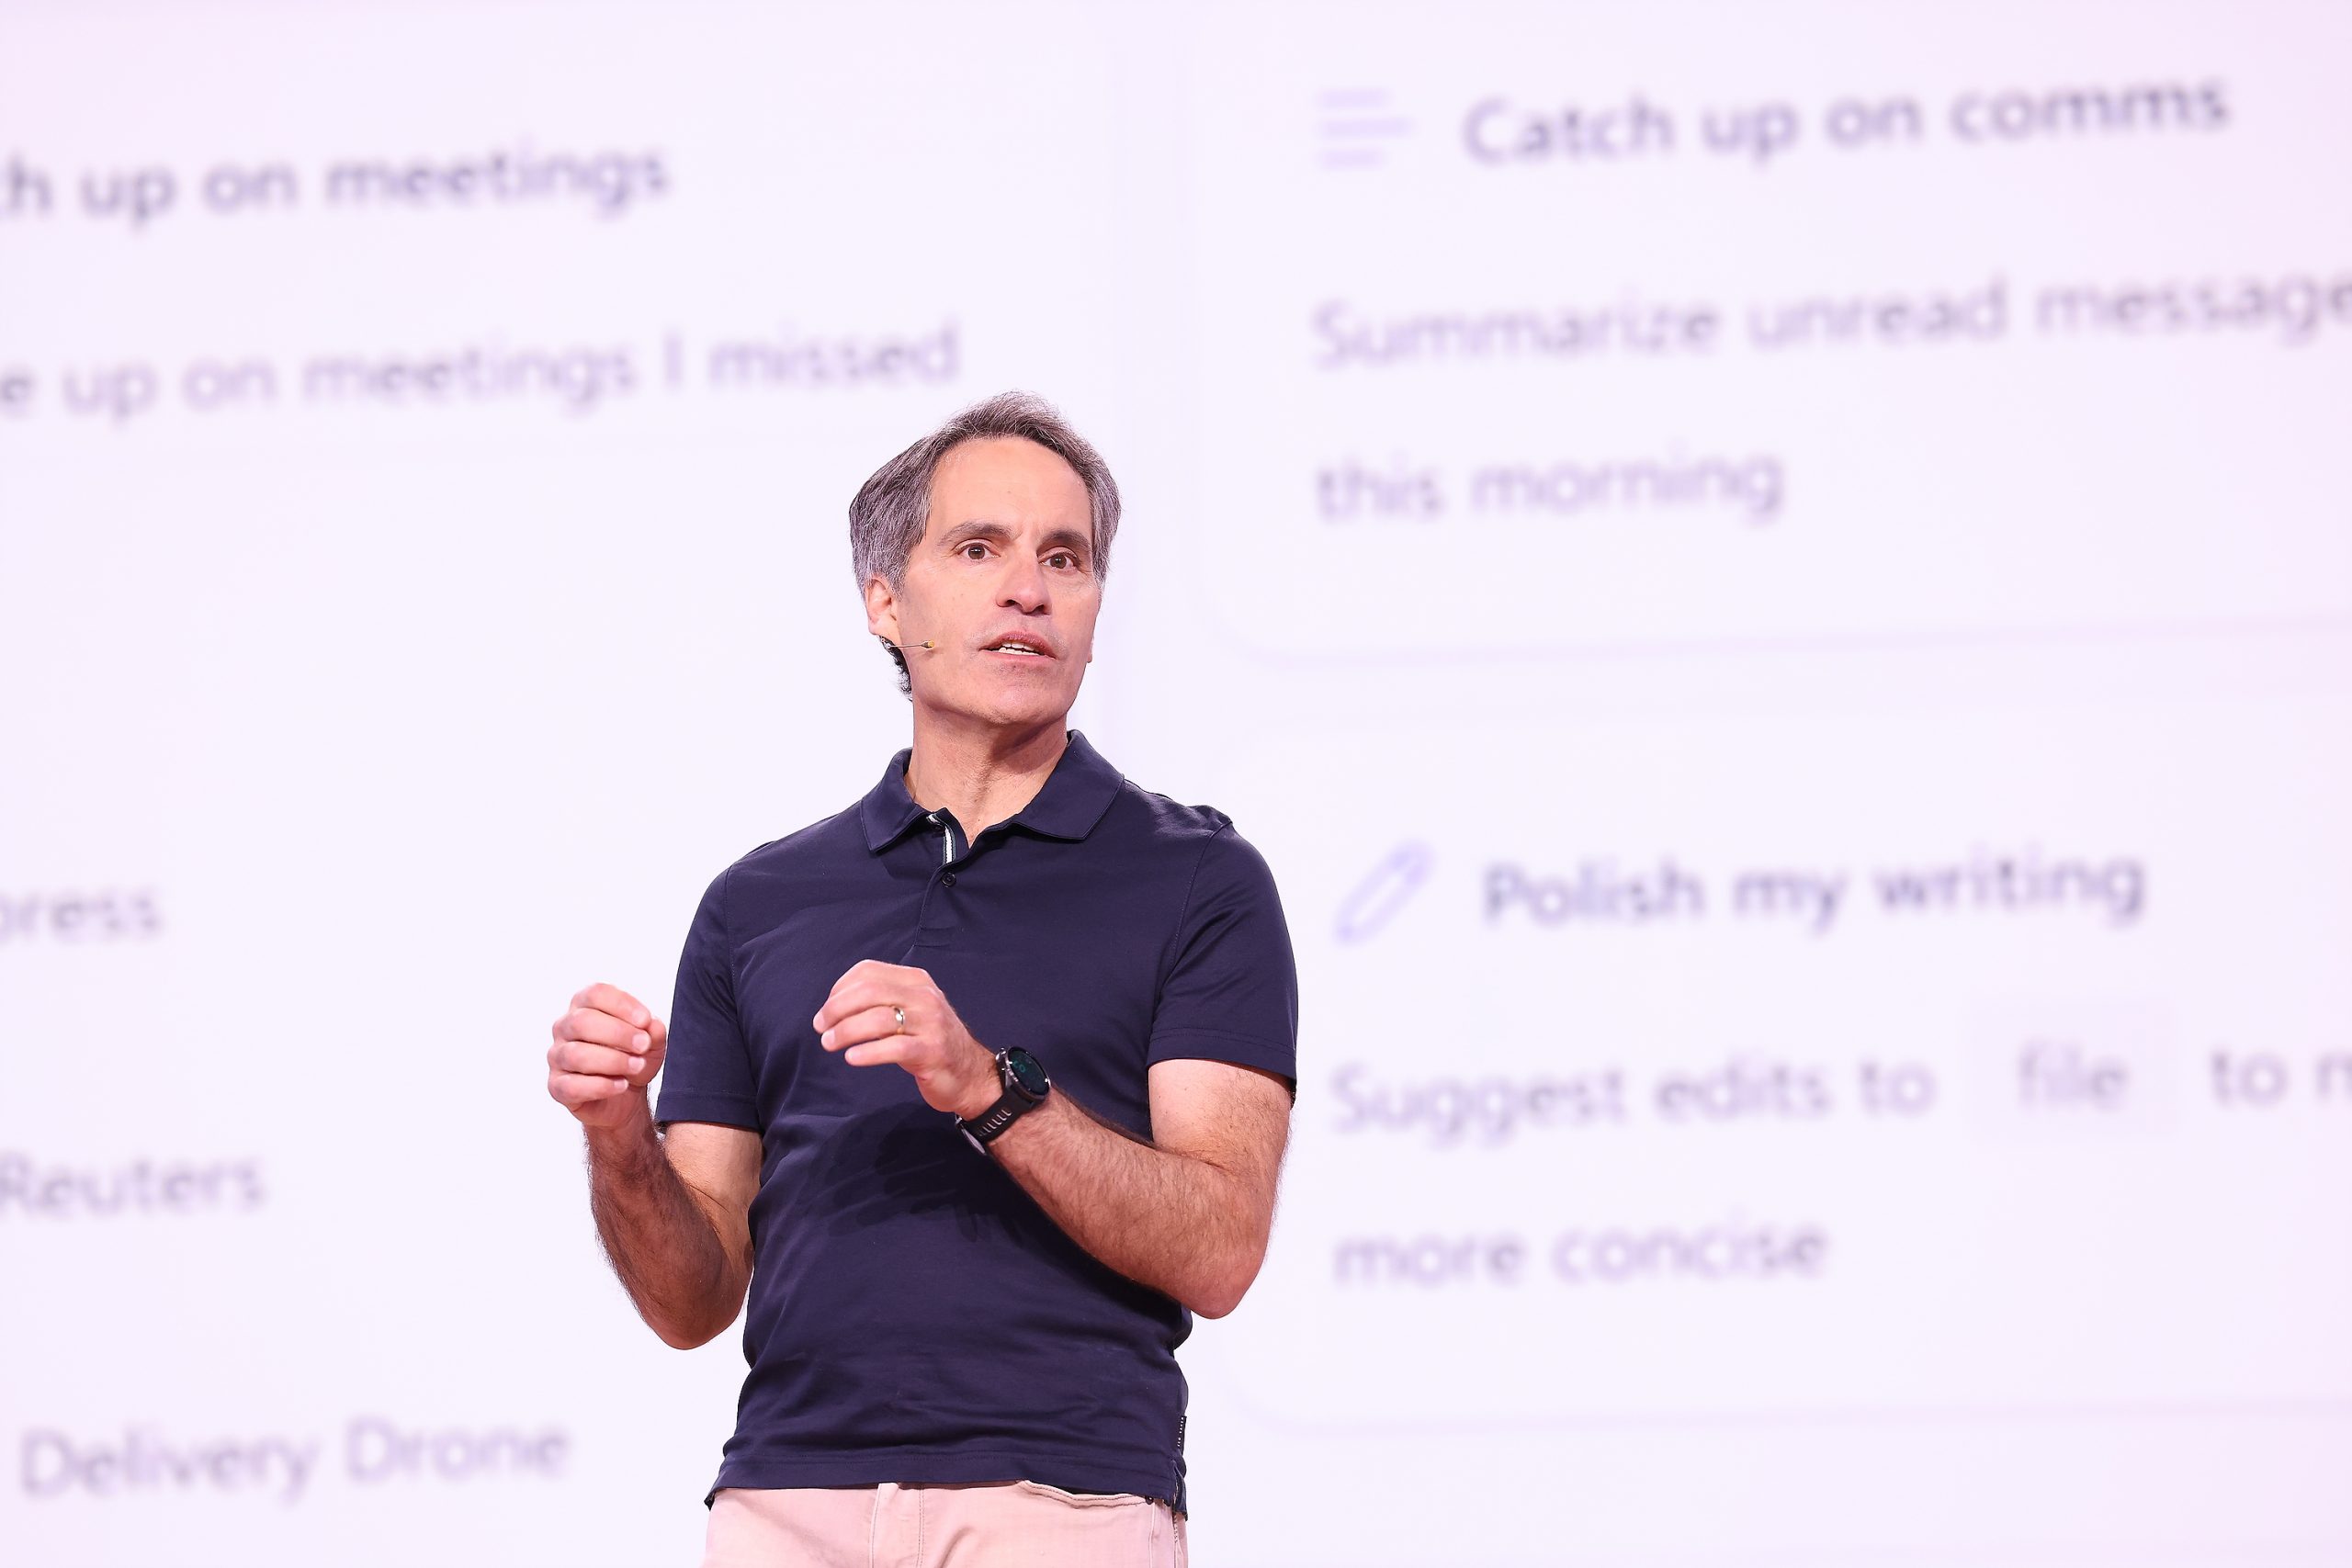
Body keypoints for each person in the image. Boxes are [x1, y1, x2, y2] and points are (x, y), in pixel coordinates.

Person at [544, 391, 1298, 1567]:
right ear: (885, 605)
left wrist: (990, 1088)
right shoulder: (760, 902)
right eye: (979, 548)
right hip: (787, 1502)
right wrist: (614, 1135)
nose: (1029, 589)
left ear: (1097, 613)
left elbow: (1218, 1249)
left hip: (1064, 1501)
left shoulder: (1197, 879)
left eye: (1067, 558)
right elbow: (691, 1301)